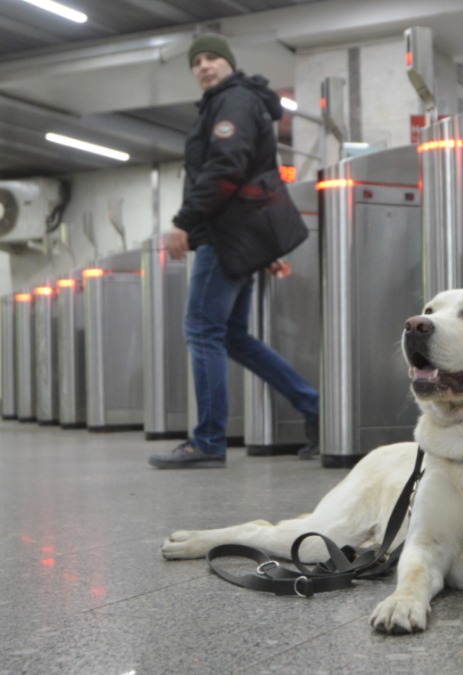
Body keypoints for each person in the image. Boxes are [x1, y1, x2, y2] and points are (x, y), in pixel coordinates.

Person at [149, 33, 319, 469]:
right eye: (197, 61)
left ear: (228, 62)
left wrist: (183, 221)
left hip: (223, 236)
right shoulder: (228, 101)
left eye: (212, 58)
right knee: (232, 336)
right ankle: (316, 409)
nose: (205, 65)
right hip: (240, 234)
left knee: (202, 330)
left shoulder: (234, 100)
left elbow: (228, 165)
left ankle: (208, 441)